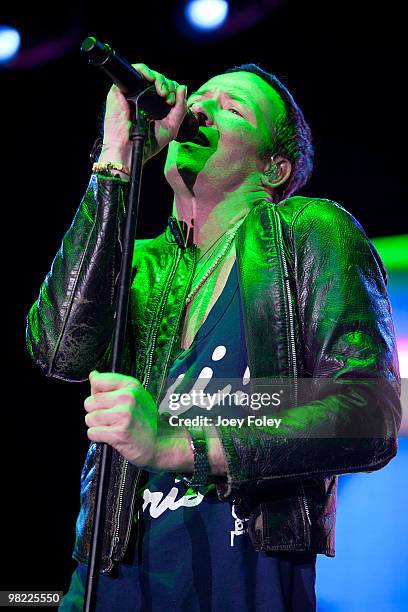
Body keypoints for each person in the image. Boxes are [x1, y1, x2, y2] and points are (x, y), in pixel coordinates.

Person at [26, 62, 401, 611]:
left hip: (241, 581)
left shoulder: (309, 233)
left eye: (232, 107)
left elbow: (371, 414)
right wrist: (116, 160)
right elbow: (58, 349)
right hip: (108, 581)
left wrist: (179, 448)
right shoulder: (139, 264)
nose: (198, 108)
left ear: (273, 168)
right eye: (198, 97)